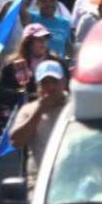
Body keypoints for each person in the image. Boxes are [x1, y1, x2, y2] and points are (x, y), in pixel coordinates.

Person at [9, 60, 68, 190]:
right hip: (40, 183)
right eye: (45, 83)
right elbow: (15, 141)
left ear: (64, 83)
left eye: (54, 81)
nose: (51, 87)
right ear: (37, 86)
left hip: (71, 180)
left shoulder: (75, 106)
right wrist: (39, 111)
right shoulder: (28, 110)